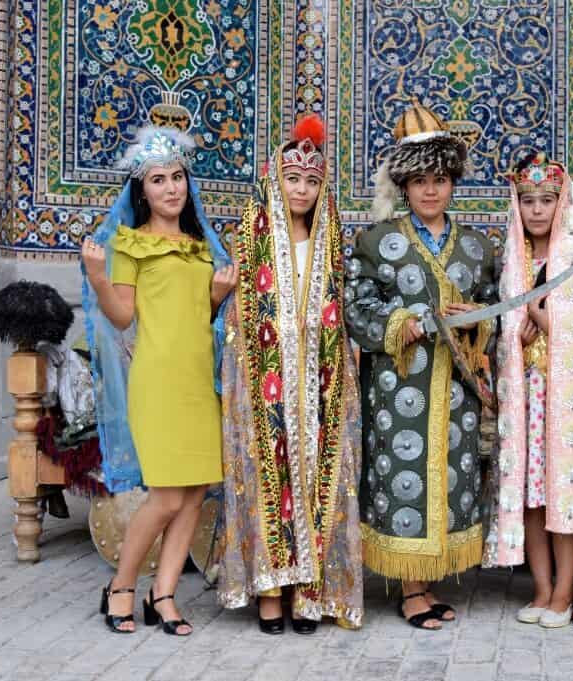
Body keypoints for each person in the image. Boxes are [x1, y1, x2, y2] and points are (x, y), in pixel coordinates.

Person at [346, 102, 497, 630]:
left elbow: (493, 311)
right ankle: (409, 589)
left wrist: (475, 321)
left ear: (453, 182)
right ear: (403, 187)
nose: (430, 191)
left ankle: (426, 581)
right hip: (399, 385)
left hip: (455, 387)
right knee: (405, 476)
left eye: (440, 180)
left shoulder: (478, 248)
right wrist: (400, 322)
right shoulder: (375, 242)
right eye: (419, 182)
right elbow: (354, 308)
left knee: (448, 479)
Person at [81, 126, 238, 635]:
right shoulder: (129, 245)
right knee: (167, 497)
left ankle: (163, 594)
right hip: (158, 381)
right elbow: (124, 317)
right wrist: (100, 278)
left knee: (194, 494)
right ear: (141, 190)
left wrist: (216, 296)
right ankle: (121, 586)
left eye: (177, 177)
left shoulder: (198, 247)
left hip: (198, 382)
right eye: (158, 180)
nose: (171, 188)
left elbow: (199, 318)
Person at [216, 115, 363, 635]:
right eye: (292, 179)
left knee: (319, 483)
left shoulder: (331, 240)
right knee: (267, 478)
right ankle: (270, 590)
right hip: (266, 381)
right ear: (274, 181)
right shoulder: (247, 239)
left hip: (319, 380)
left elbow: (340, 308)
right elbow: (233, 315)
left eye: (312, 180)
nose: (301, 189)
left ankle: (311, 590)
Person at [482, 152, 573, 628]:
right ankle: (540, 589)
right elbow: (504, 324)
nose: (537, 210)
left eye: (546, 200)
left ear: (563, 204)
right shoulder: (515, 262)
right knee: (532, 495)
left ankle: (566, 590)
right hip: (527, 398)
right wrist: (515, 333)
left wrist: (545, 322)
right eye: (528, 201)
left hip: (567, 402)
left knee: (565, 490)